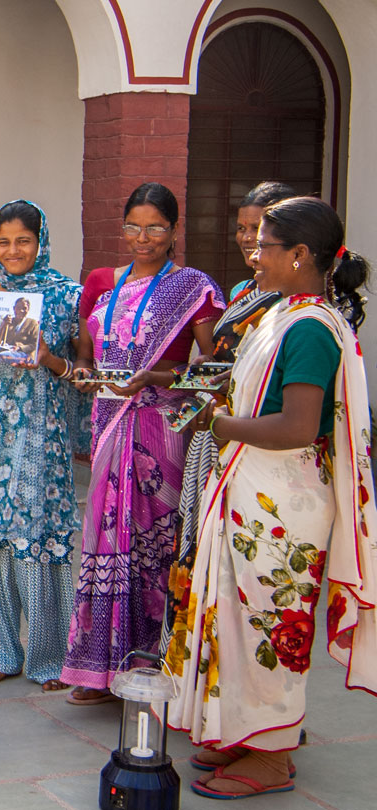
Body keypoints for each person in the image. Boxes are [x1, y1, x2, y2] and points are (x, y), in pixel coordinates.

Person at [167, 197, 376, 799]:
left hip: (283, 506)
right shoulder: (284, 314)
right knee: (235, 616)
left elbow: (296, 427)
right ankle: (243, 733)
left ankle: (274, 755)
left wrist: (220, 425)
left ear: (302, 255)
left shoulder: (311, 328)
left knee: (268, 621)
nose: (254, 255)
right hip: (255, 494)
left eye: (266, 246)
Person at [61, 182, 224, 702]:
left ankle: (153, 664)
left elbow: (216, 369)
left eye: (156, 227)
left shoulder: (194, 287)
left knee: (155, 543)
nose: (144, 237)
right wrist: (85, 373)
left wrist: (158, 378)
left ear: (174, 230)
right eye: (134, 227)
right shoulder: (109, 288)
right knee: (106, 541)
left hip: (160, 427)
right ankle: (99, 667)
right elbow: (86, 354)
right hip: (109, 418)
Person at [0, 201, 88, 691]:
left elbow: (84, 375)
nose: (13, 251)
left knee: (39, 541)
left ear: (41, 240)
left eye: (23, 240)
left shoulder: (70, 297)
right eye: (3, 242)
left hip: (39, 440)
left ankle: (52, 659)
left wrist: (48, 358)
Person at [163, 181, 298, 655]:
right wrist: (188, 374)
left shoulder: (296, 305)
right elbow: (223, 365)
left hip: (259, 446)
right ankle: (205, 677)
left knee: (255, 574)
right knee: (205, 558)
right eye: (241, 228)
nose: (246, 239)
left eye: (257, 230)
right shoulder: (241, 292)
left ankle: (255, 692)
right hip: (213, 442)